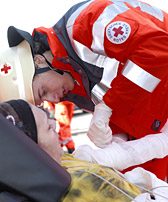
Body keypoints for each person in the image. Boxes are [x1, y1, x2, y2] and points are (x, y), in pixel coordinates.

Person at [1, 0, 168, 180]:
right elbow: (127, 104)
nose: (54, 100)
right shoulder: (70, 82)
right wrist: (116, 140)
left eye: (42, 92)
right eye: (44, 101)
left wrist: (108, 107)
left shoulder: (87, 22)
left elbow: (158, 49)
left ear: (38, 61)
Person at [1, 99, 168, 202]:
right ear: (33, 151)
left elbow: (115, 155)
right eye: (49, 127)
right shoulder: (85, 190)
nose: (56, 124)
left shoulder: (59, 168)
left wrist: (158, 143)